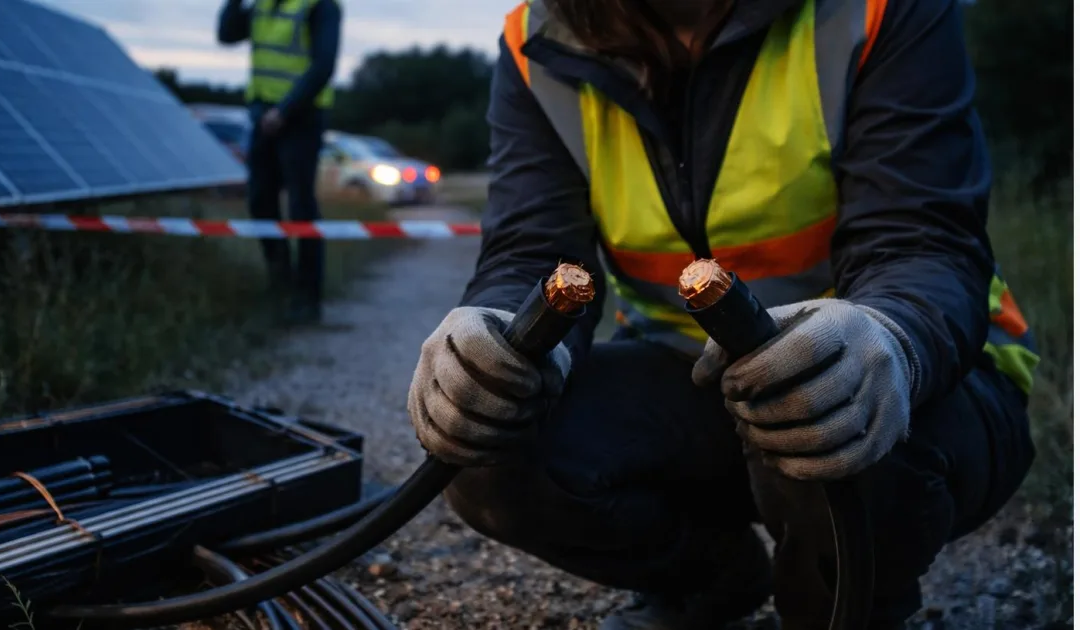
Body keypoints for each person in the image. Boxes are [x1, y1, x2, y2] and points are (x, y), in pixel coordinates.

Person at [405, 0, 1039, 628]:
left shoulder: (877, 9)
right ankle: (707, 585)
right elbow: (533, 250)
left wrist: (892, 340)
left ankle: (844, 611)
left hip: (919, 377)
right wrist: (489, 330)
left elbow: (919, 239)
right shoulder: (537, 38)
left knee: (825, 417)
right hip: (687, 379)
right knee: (494, 442)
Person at [217, 0, 342, 323]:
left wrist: (285, 110)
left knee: (301, 207)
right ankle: (280, 280)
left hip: (300, 118)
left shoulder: (321, 6)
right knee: (260, 201)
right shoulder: (262, 5)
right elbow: (227, 34)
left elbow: (323, 66)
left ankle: (307, 298)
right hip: (262, 116)